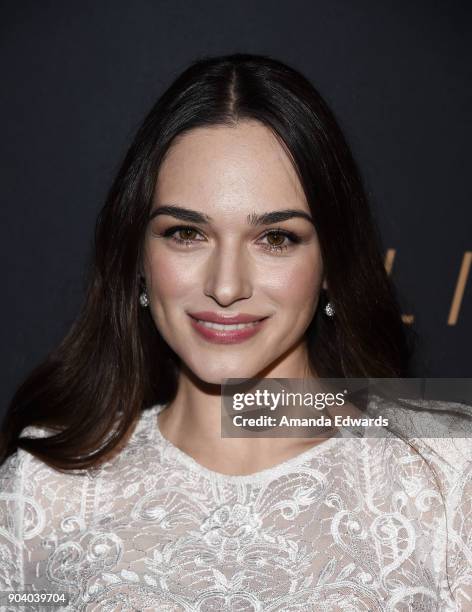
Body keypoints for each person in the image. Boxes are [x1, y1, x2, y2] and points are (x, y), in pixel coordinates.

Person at [0, 53, 470, 610]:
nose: (226, 286)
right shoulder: (40, 492)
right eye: (185, 233)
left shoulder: (450, 477)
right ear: (138, 258)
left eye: (276, 238)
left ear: (330, 267)